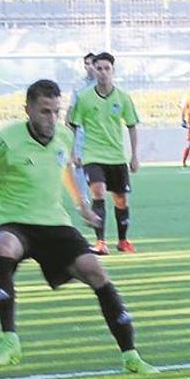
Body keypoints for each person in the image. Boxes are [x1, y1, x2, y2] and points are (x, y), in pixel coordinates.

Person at [0, 79, 158, 374]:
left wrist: (82, 206)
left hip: (53, 223)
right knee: (5, 247)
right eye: (44, 111)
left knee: (96, 272)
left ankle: (131, 356)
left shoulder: (63, 136)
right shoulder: (7, 140)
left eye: (55, 112)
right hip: (11, 222)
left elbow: (65, 169)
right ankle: (9, 341)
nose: (51, 119)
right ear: (28, 110)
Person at [69, 52, 140, 255]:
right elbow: (72, 125)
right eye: (98, 68)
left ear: (113, 71)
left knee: (120, 200)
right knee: (98, 192)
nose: (102, 72)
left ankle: (123, 241)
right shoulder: (84, 98)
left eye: (106, 68)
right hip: (92, 155)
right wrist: (73, 152)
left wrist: (134, 156)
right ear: (93, 70)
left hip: (116, 157)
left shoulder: (123, 98)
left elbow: (132, 126)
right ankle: (100, 242)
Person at [66, 52, 97, 203]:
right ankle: (83, 199)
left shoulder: (102, 85)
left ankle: (97, 195)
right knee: (78, 164)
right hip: (81, 130)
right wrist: (68, 124)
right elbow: (71, 108)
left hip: (97, 131)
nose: (89, 66)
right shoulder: (79, 85)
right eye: (87, 63)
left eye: (92, 63)